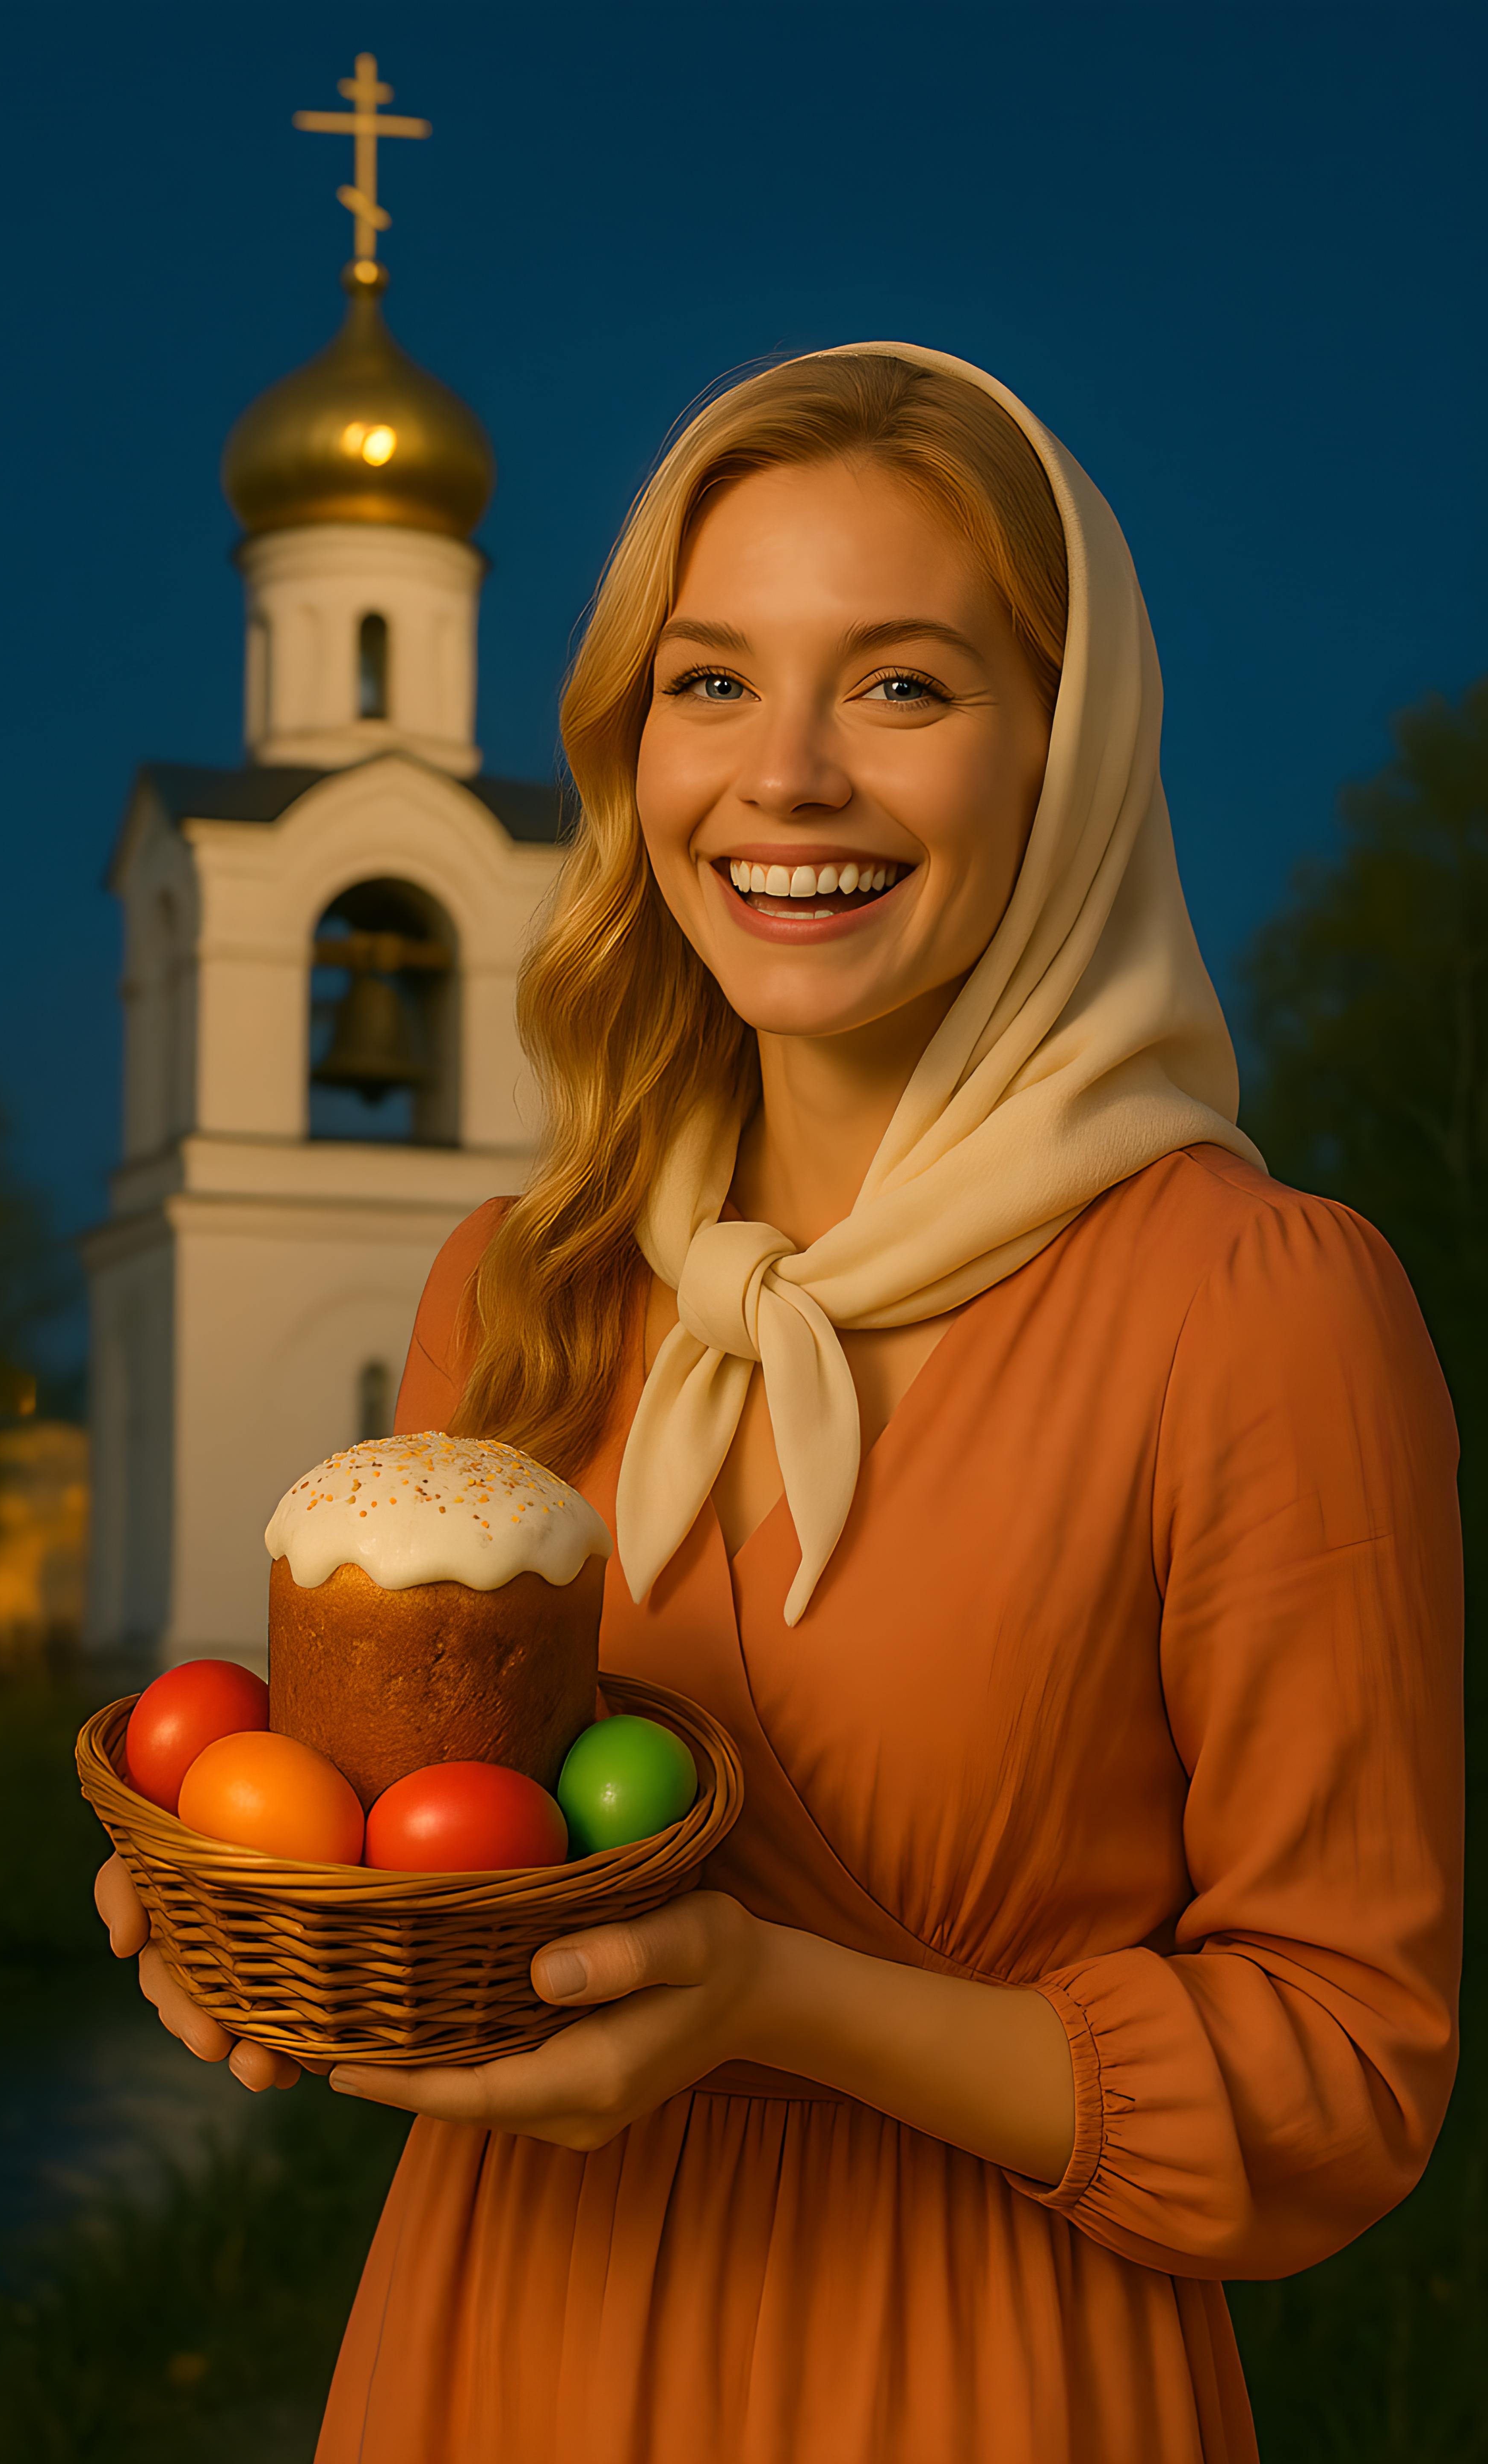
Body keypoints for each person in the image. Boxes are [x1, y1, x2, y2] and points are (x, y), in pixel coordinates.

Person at [97, 345, 1464, 2464]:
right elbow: (445, 1853)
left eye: (904, 686)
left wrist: (787, 2009)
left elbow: (1346, 2083)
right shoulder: (524, 1284)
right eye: (710, 682)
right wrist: (270, 1922)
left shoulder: (1255, 1308)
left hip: (975, 2372)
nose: (788, 777)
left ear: (1069, 756)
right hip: (498, 2349)